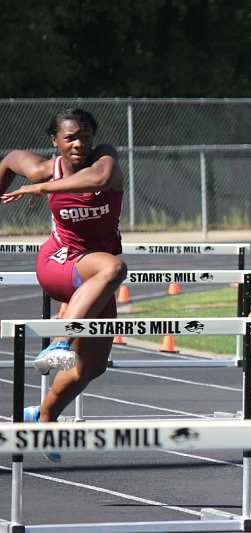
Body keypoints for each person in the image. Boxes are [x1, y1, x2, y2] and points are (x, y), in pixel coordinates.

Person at [0, 108, 127, 461]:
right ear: (54, 141)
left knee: (93, 366)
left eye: (84, 136)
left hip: (94, 277)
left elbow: (99, 179)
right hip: (59, 262)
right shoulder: (45, 167)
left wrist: (42, 188)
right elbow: (10, 159)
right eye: (70, 137)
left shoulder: (106, 161)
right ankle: (58, 341)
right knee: (115, 268)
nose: (79, 143)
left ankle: (43, 416)